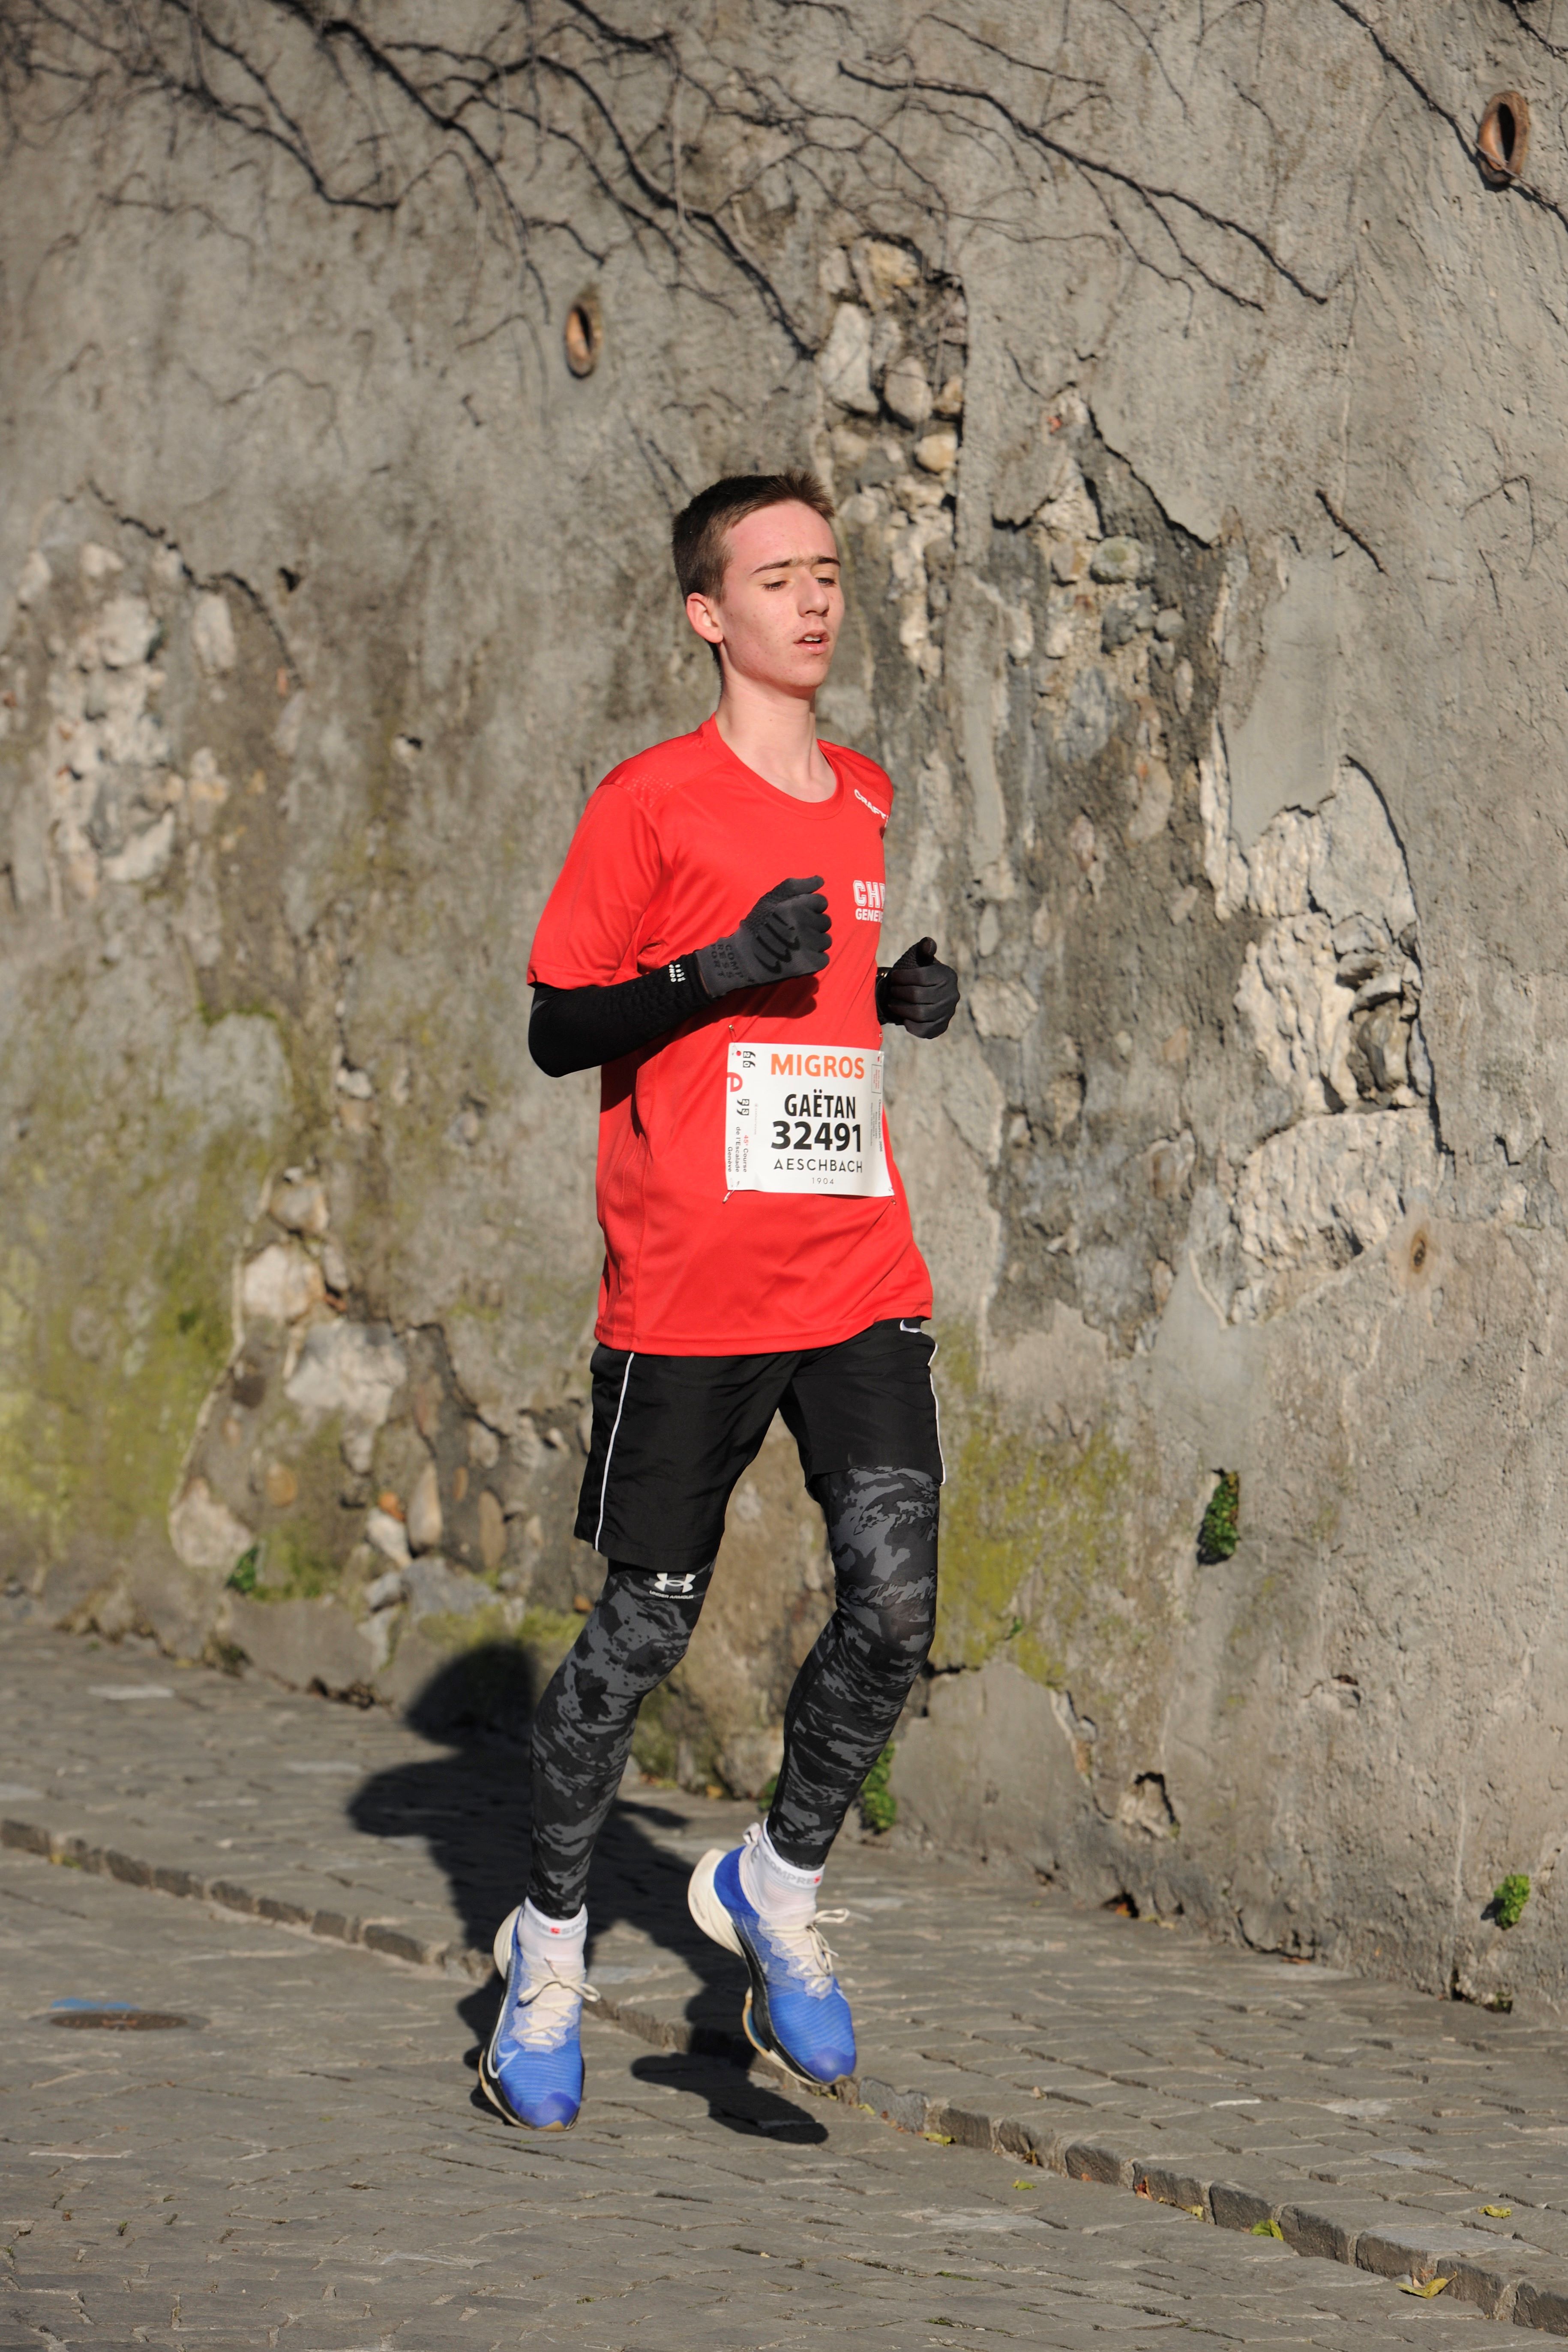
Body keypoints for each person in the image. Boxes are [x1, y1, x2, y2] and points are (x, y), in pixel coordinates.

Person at [482, 469, 960, 2132]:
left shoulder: (865, 792)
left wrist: (887, 994)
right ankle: (546, 1951)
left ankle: (777, 1879)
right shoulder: (650, 802)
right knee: (644, 1629)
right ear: (708, 612)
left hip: (856, 1273)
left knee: (894, 1604)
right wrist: (710, 971)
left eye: (827, 571)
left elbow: (807, 1017)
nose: (814, 600)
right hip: (688, 1291)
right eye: (776, 578)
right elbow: (559, 1023)